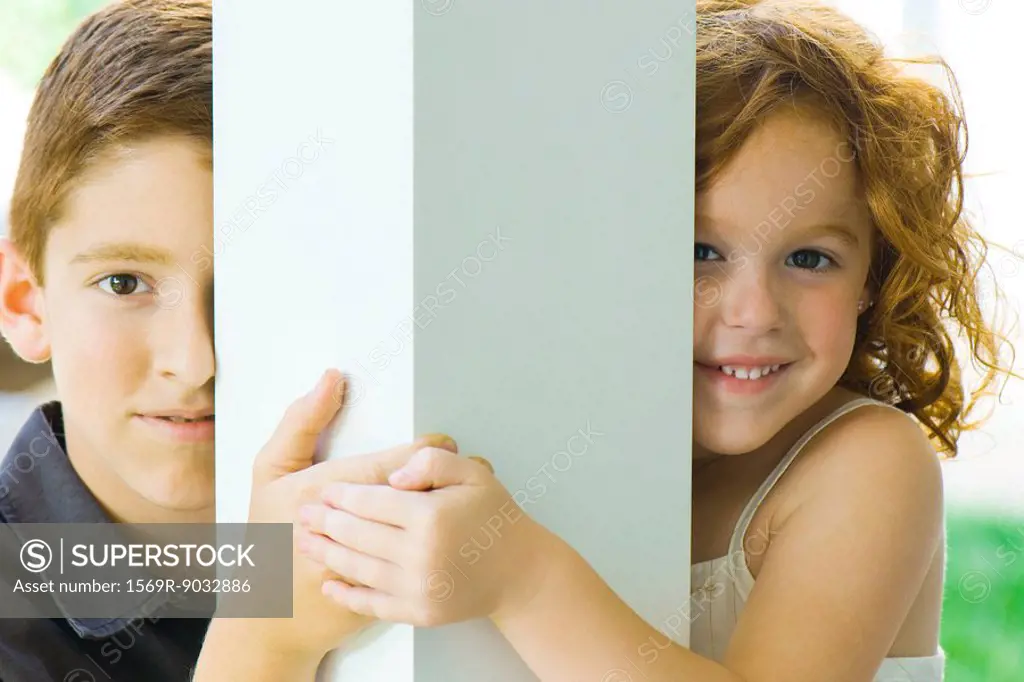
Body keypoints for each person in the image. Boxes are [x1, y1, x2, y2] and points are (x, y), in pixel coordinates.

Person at [292, 2, 1014, 681]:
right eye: (699, 252)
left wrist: (523, 580)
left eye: (809, 259)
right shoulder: (590, 434)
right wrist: (261, 569)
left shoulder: (868, 465)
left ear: (870, 276)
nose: (754, 311)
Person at [0, 2, 451, 680]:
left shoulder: (385, 529)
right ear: (25, 303)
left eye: (247, 290)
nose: (195, 362)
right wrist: (265, 644)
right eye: (124, 284)